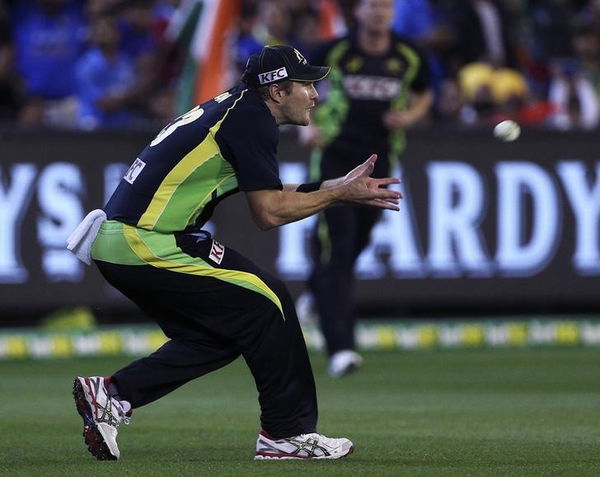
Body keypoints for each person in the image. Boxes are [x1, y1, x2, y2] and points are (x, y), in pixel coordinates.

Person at [68, 45, 402, 461]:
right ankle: (287, 434)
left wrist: (339, 188)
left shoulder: (239, 109)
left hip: (138, 239)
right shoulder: (251, 120)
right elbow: (270, 213)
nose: (316, 94)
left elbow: (272, 196)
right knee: (270, 302)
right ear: (277, 91)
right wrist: (335, 194)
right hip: (144, 241)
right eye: (307, 85)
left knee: (229, 330)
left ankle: (112, 396)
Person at [301, 0, 433, 378]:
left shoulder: (408, 55)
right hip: (334, 165)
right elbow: (296, 85)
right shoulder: (335, 52)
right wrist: (308, 127)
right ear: (358, 12)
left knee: (357, 243)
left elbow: (426, 92)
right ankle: (341, 348)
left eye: (386, 7)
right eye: (372, 6)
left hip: (380, 165)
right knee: (339, 248)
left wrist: (409, 115)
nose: (379, 12)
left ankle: (316, 289)